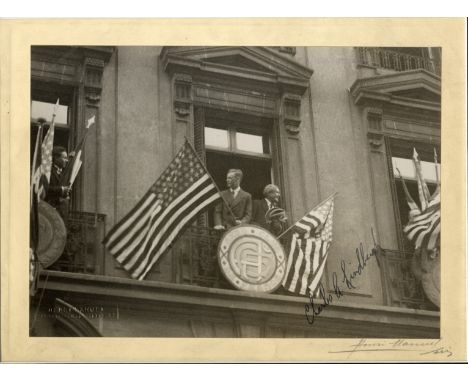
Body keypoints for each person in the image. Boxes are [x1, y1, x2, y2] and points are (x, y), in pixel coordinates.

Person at [45, 146, 71, 220]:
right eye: (64, 158)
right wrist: (62, 189)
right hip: (51, 210)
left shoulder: (64, 173)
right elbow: (45, 188)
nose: (67, 160)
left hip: (62, 212)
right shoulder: (48, 171)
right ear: (56, 158)